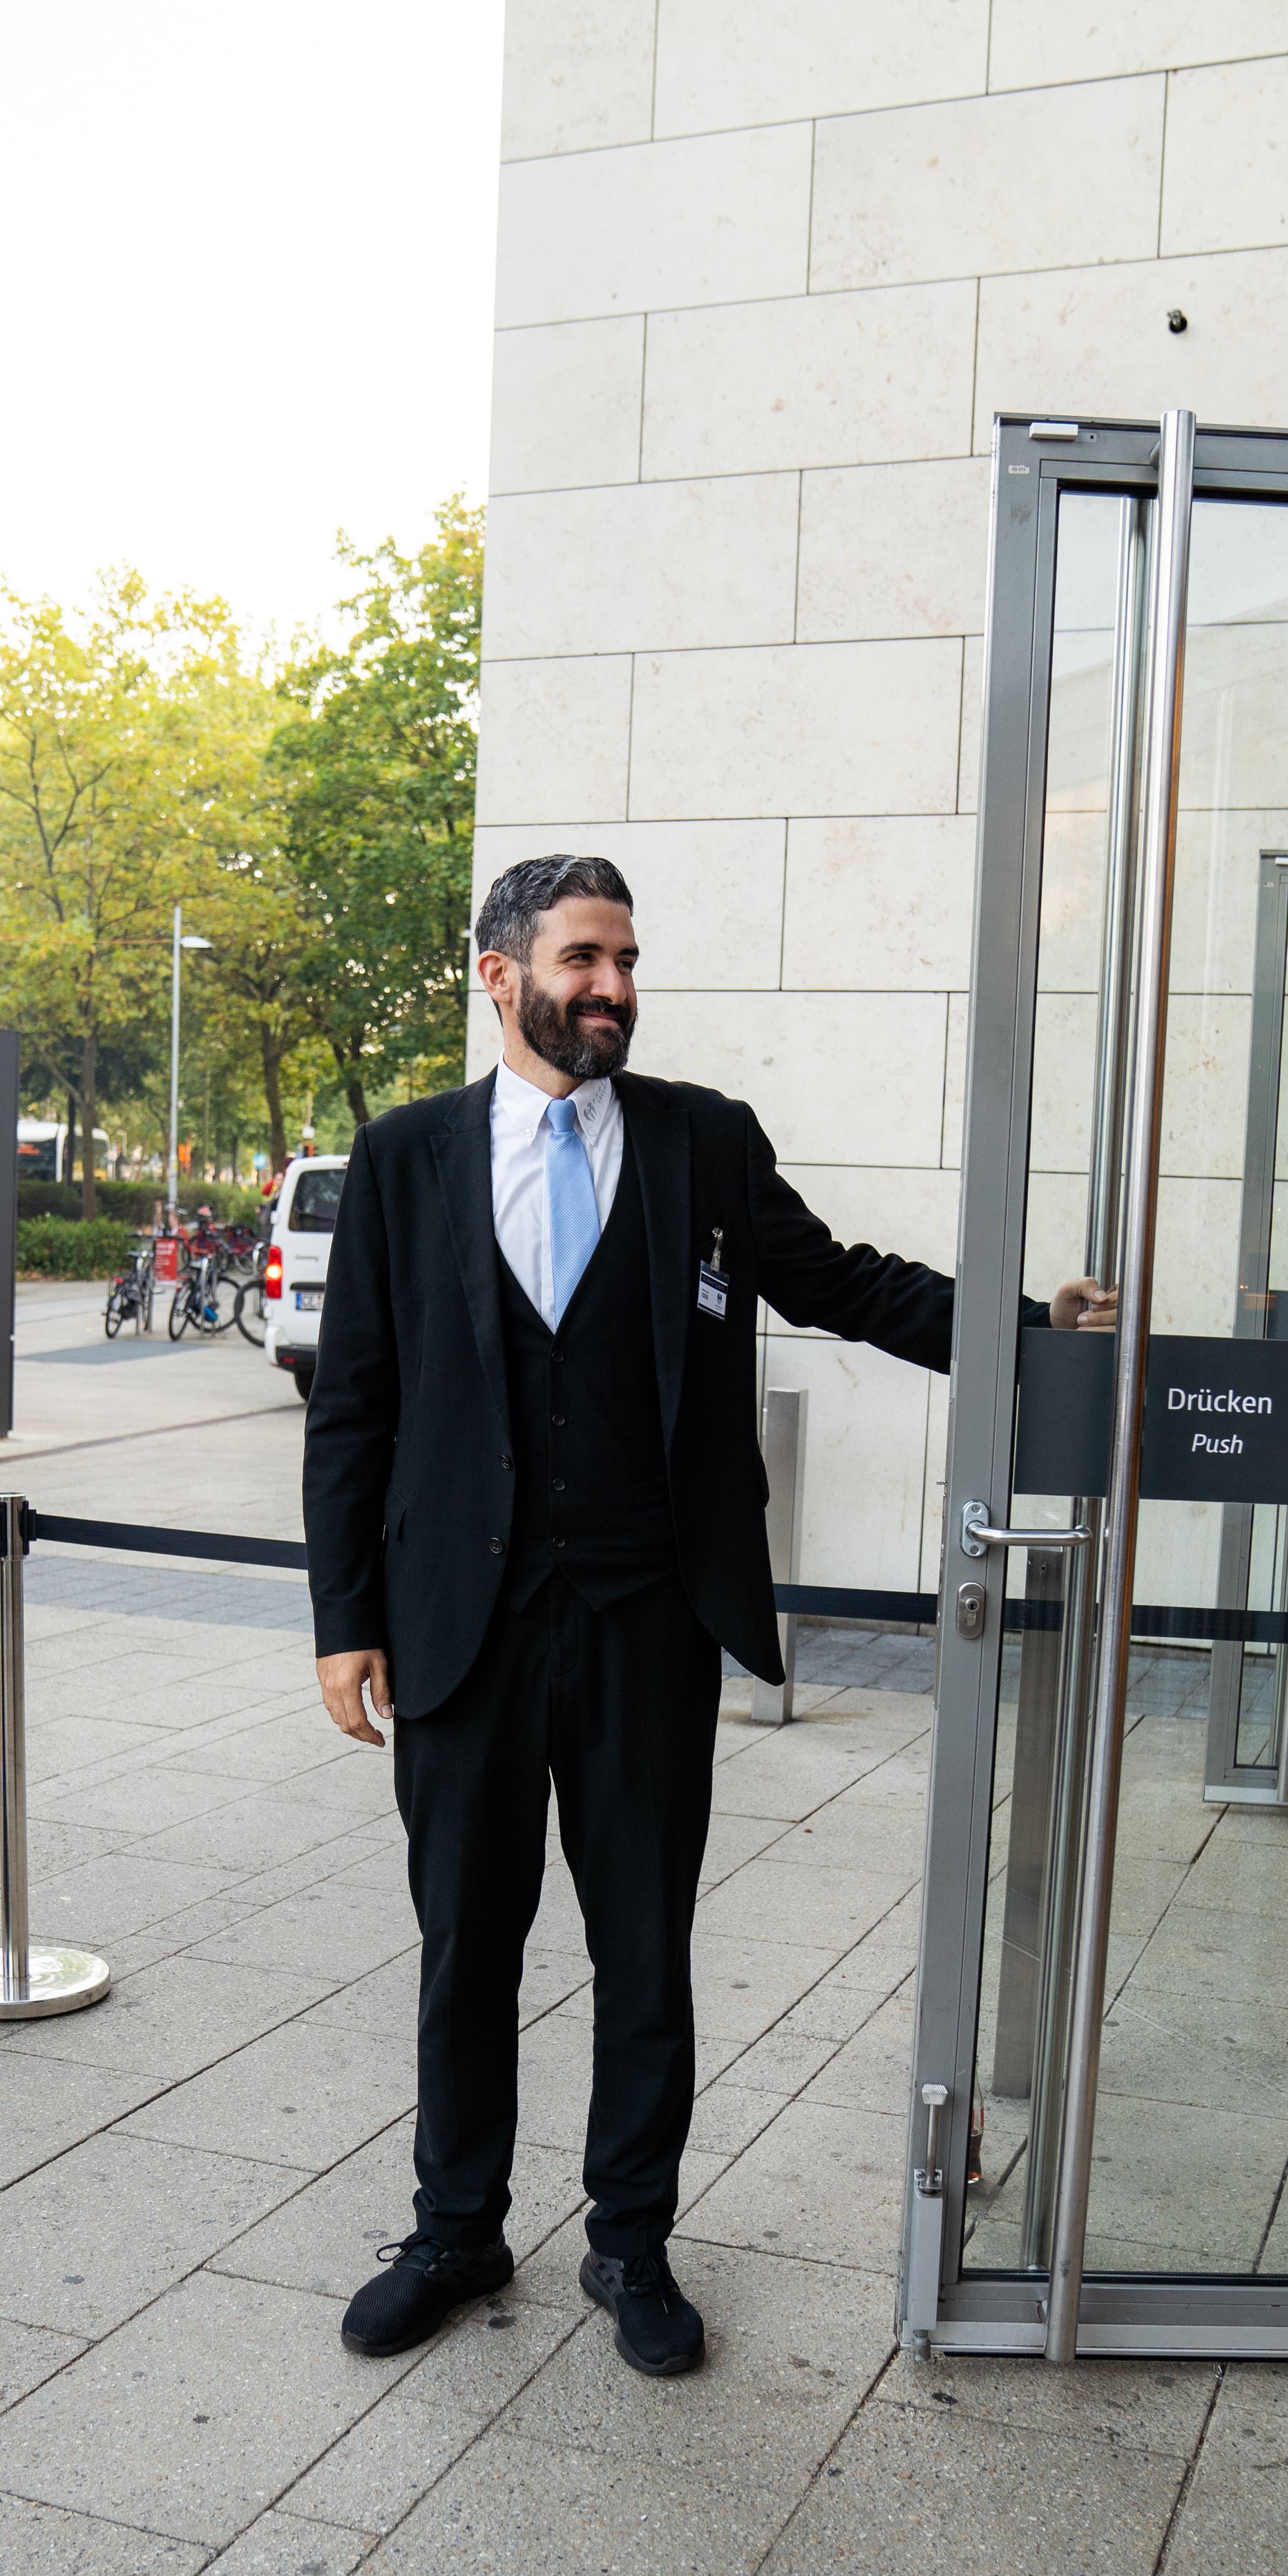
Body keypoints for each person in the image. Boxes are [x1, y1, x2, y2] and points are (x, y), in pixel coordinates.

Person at [303, 852, 1113, 2381]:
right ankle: (455, 2228)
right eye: (583, 960)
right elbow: (356, 1405)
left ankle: (631, 2242)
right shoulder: (406, 1158)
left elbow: (842, 1284)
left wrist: (1025, 1333)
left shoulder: (700, 1145)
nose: (612, 986)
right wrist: (346, 1616)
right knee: (465, 1942)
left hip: (644, 1615)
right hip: (457, 1624)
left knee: (645, 1948)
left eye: (625, 960)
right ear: (502, 975)